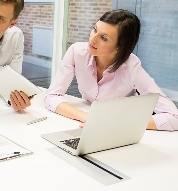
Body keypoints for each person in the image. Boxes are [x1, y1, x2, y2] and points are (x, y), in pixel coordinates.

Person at [45, 9, 178, 131]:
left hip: (119, 131)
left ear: (119, 47)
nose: (92, 39)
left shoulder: (131, 67)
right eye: (95, 30)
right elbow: (52, 96)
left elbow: (174, 117)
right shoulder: (77, 52)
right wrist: (87, 117)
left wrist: (116, 124)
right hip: (89, 124)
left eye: (104, 38)